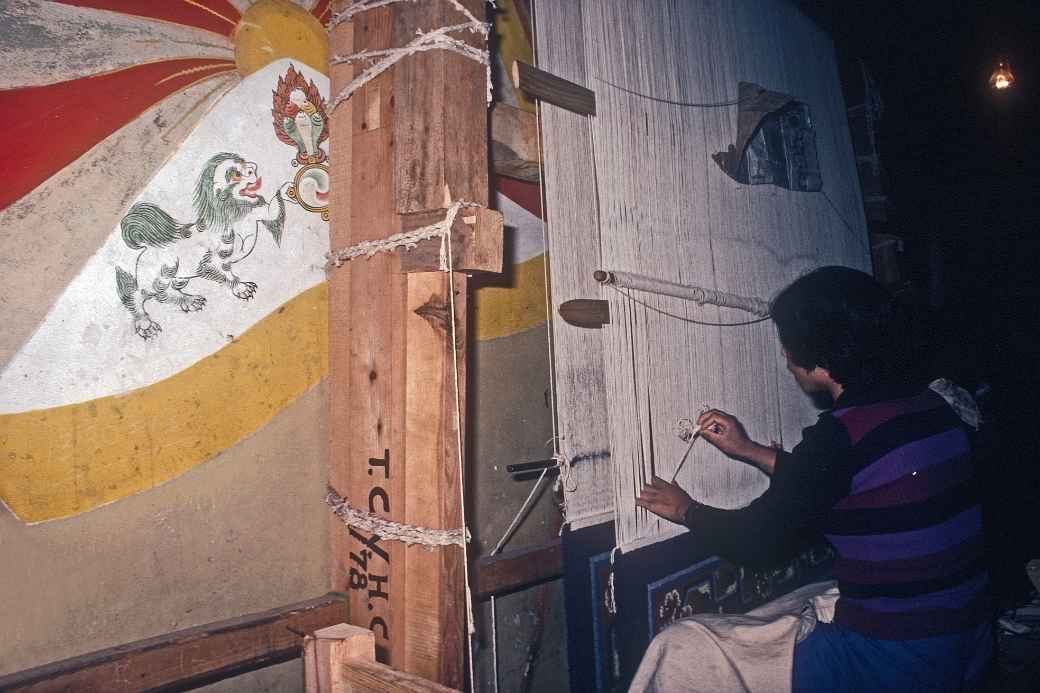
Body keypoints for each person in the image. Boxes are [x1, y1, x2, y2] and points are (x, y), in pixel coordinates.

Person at [635, 266, 992, 692]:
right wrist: (748, 450)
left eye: (787, 342)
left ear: (820, 359)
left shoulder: (839, 437)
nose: (785, 354)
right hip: (970, 638)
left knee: (682, 648)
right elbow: (850, 481)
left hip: (897, 660)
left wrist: (686, 509)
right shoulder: (931, 404)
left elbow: (755, 541)